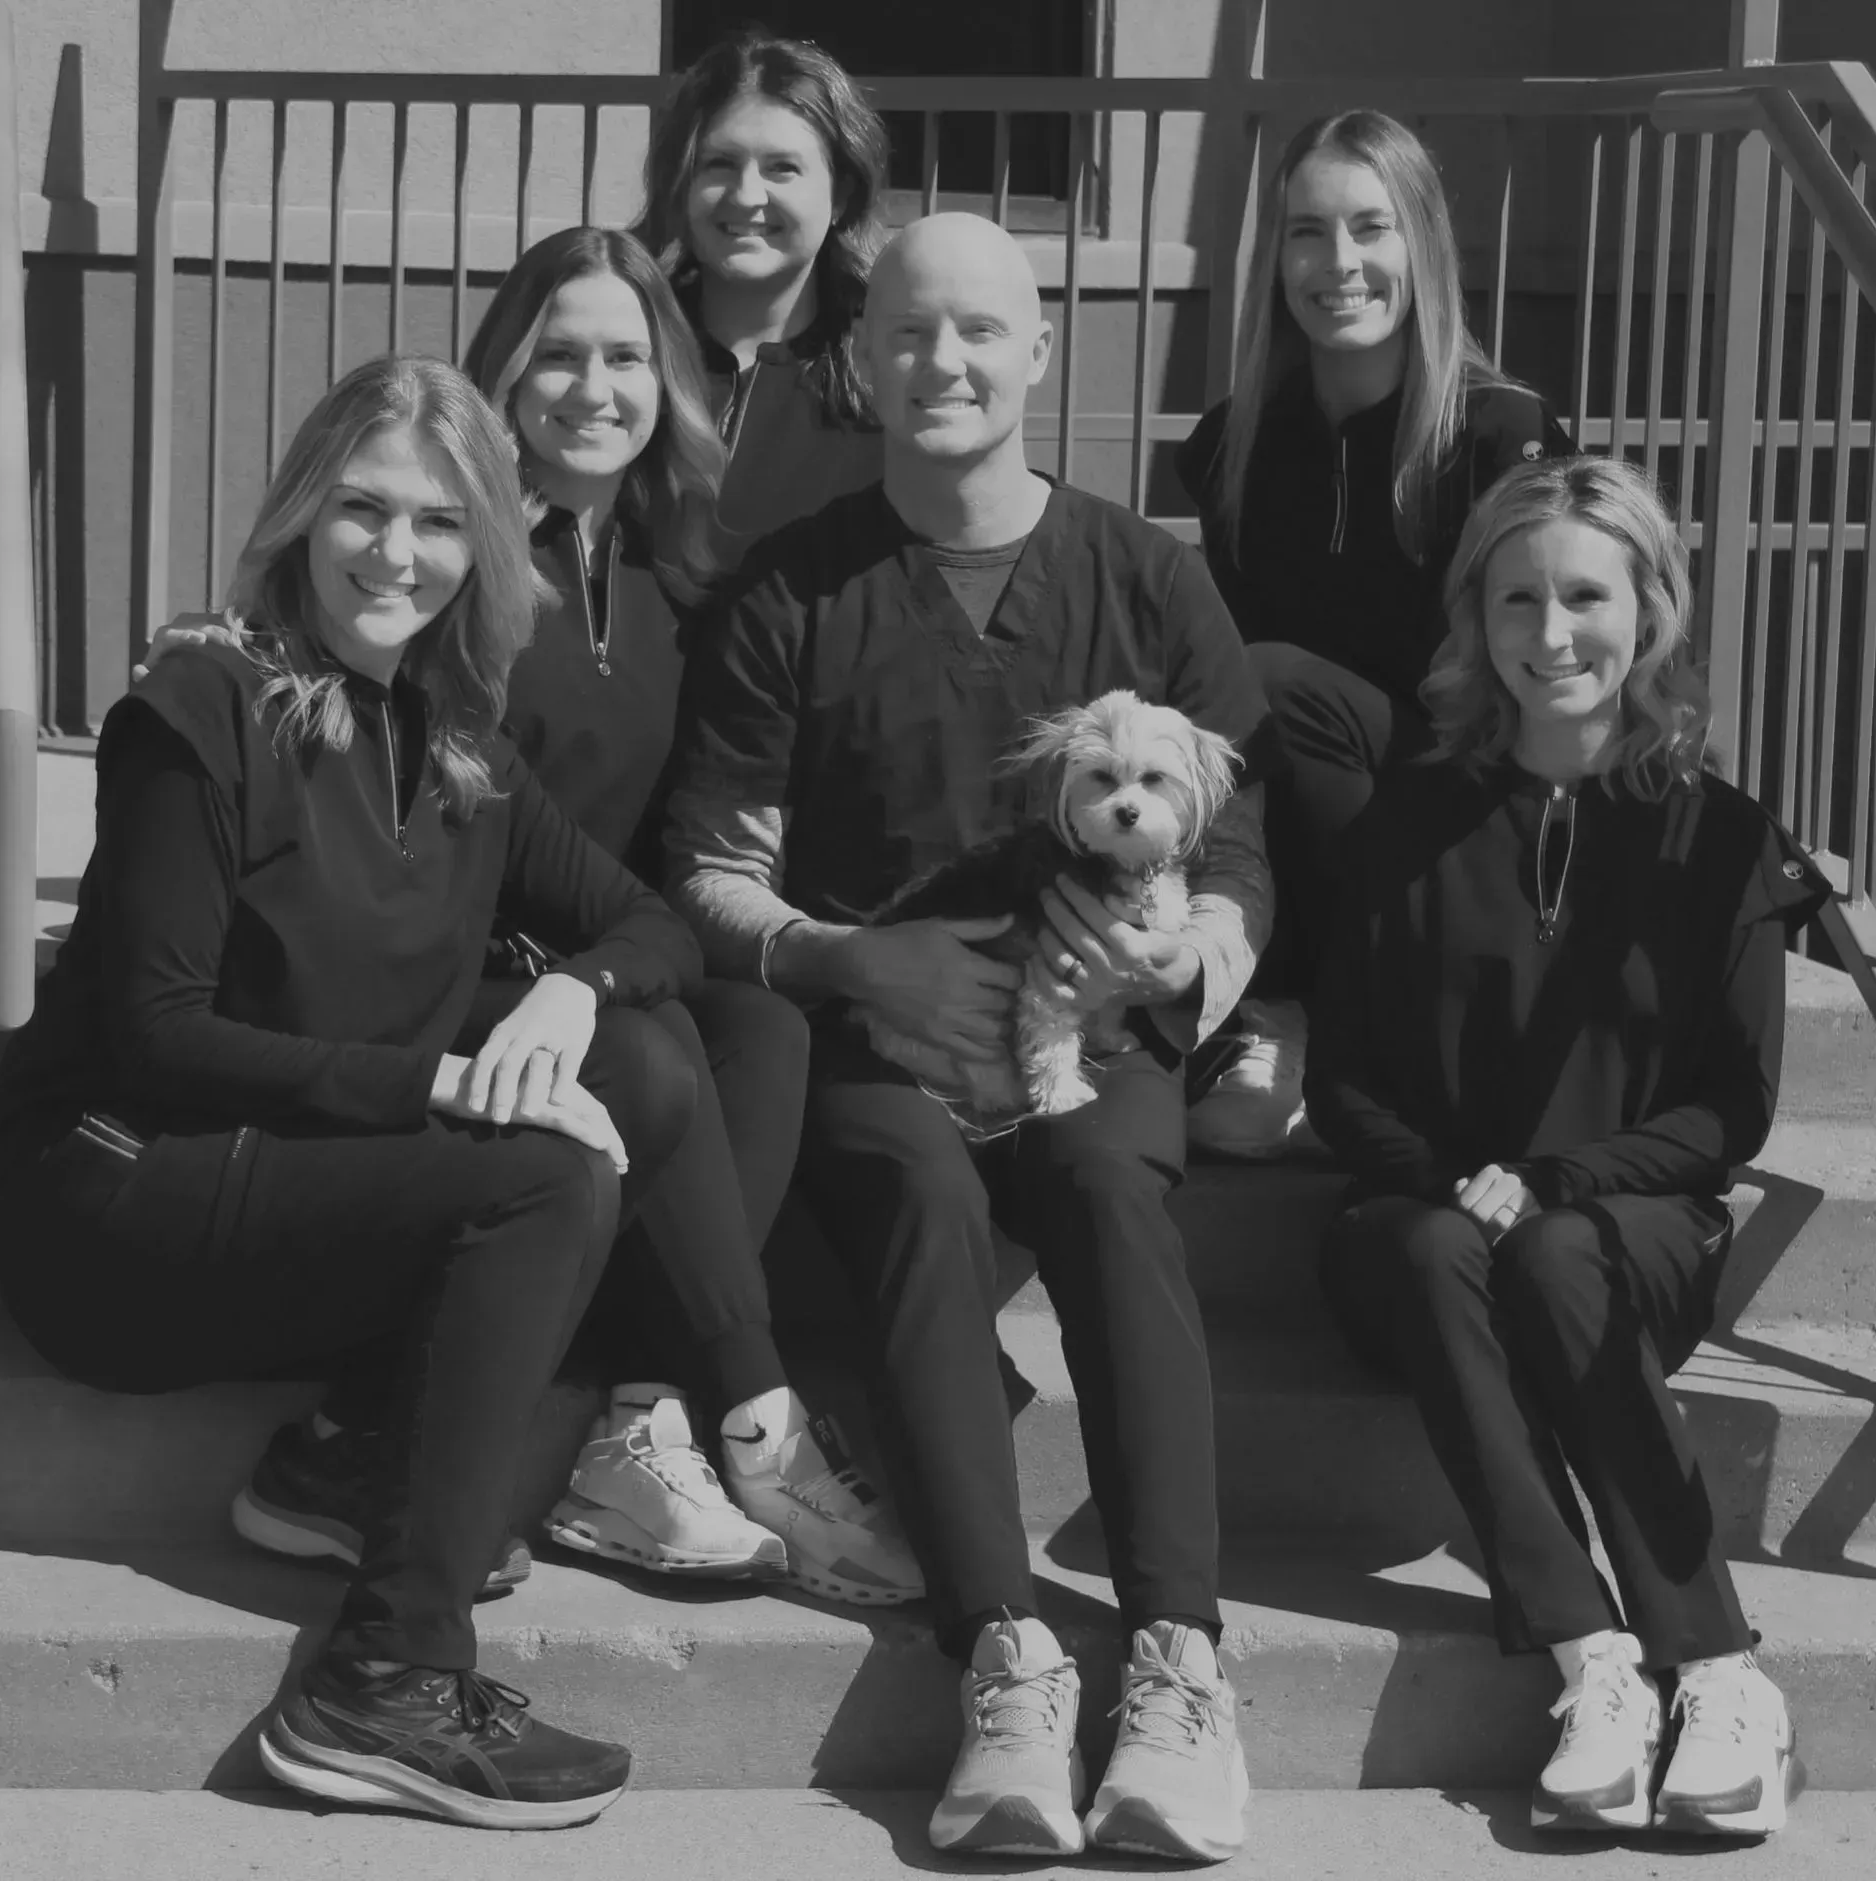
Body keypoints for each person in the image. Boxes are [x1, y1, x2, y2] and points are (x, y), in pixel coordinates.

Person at [0, 355, 706, 1827]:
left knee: (626, 1071)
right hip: (116, 1192)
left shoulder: (464, 750)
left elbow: (657, 924)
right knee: (545, 1167)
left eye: (437, 522)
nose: (394, 550)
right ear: (303, 514)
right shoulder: (199, 706)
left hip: (288, 1192)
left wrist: (570, 989)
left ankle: (352, 1452)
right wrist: (456, 1079)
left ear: (482, 547)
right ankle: (387, 1676)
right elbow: (159, 1036)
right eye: (361, 508)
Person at [665, 212, 1276, 1864]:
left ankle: (1176, 1658)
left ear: (1038, 353)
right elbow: (715, 866)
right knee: (920, 1199)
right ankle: (1004, 1655)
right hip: (883, 1048)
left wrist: (1176, 964)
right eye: (911, 334)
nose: (945, 362)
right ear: (863, 359)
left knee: (1106, 1187)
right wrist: (845, 960)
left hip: (1093, 1029)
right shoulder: (790, 588)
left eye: (980, 333)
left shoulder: (1148, 578)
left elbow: (1235, 843)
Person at [1307, 456, 1823, 1839]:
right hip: (1425, 1228)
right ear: (1476, 616)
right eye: (1517, 597)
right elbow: (1344, 1077)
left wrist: (1555, 1179)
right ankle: (1597, 1660)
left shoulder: (1718, 835)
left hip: (1632, 1232)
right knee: (1429, 1249)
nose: (1551, 634)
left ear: (1649, 607)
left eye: (1585, 596)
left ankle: (1717, 1674)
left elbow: (1732, 1106)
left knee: (1554, 1255)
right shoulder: (1406, 822)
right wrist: (1450, 1180)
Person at [460, 223, 919, 1604]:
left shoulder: (682, 570)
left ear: (670, 378)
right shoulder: (461, 557)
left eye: (625, 357)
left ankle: (644, 1415)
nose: (593, 388)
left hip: (614, 958)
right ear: (504, 374)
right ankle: (759, 1421)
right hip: (466, 972)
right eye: (557, 355)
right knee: (659, 1059)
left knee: (763, 1034)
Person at [1176, 110, 1570, 995]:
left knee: (1275, 682)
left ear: (1422, 246)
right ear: (1276, 261)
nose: (1339, 264)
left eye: (1370, 227)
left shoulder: (1503, 436)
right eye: (1307, 233)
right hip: (1301, 810)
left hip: (1470, 794)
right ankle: (1272, 1015)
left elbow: (1549, 661)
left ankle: (1354, 1019)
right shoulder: (1230, 447)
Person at [637, 28, 888, 571]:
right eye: (719, 164)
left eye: (782, 168)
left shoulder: (887, 372)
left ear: (841, 193)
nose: (747, 196)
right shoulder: (621, 354)